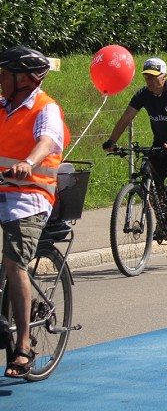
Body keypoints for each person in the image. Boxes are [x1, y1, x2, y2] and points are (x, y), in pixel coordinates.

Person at [0, 46, 69, 379]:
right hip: (2, 191)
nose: (0, 78)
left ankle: (24, 344)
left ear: (24, 79)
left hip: (30, 196)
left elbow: (48, 140)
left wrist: (28, 162)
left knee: (15, 263)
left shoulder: (45, 108)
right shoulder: (1, 107)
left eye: (4, 73)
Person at [102, 58, 167, 232]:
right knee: (149, 173)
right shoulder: (143, 94)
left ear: (164, 76)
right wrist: (112, 141)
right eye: (146, 77)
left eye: (153, 77)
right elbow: (126, 117)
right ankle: (162, 221)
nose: (149, 81)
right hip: (161, 140)